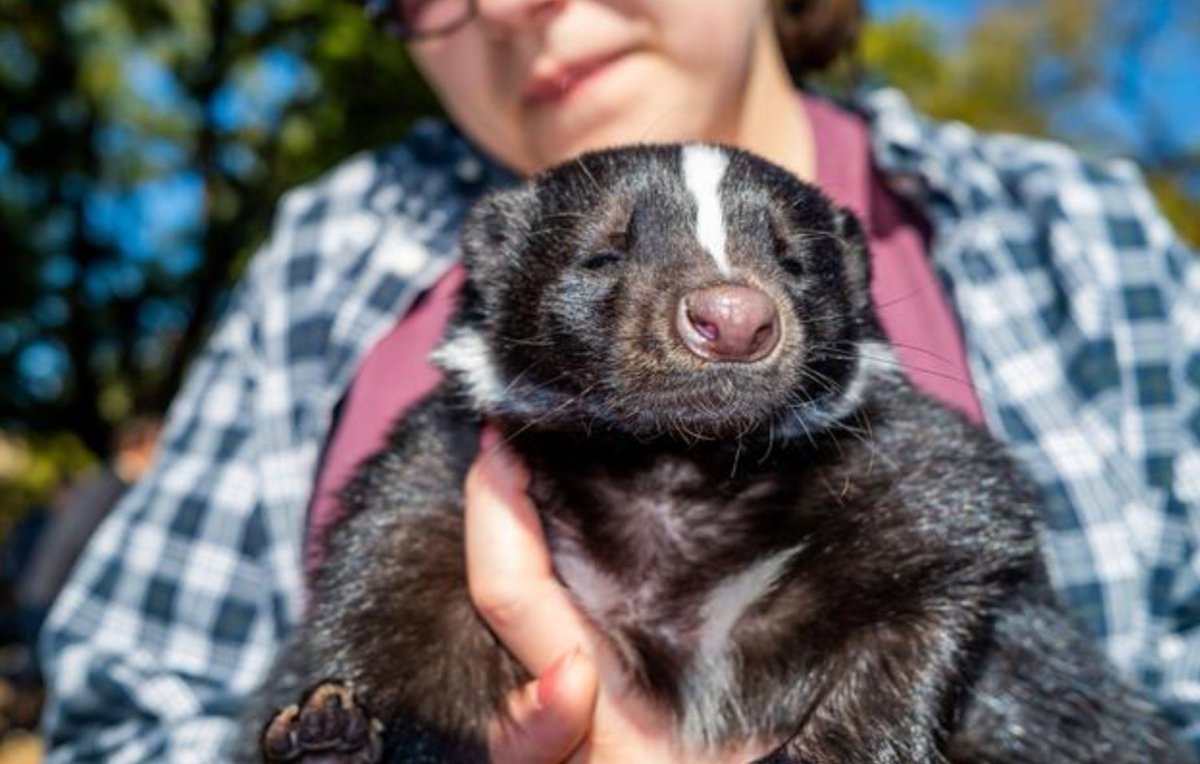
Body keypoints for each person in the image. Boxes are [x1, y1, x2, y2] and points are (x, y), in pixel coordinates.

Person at [38, 0, 1200, 761]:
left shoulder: (1075, 235)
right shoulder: (328, 259)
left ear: (843, 283)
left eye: (777, 272)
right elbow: (127, 713)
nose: (508, 4)